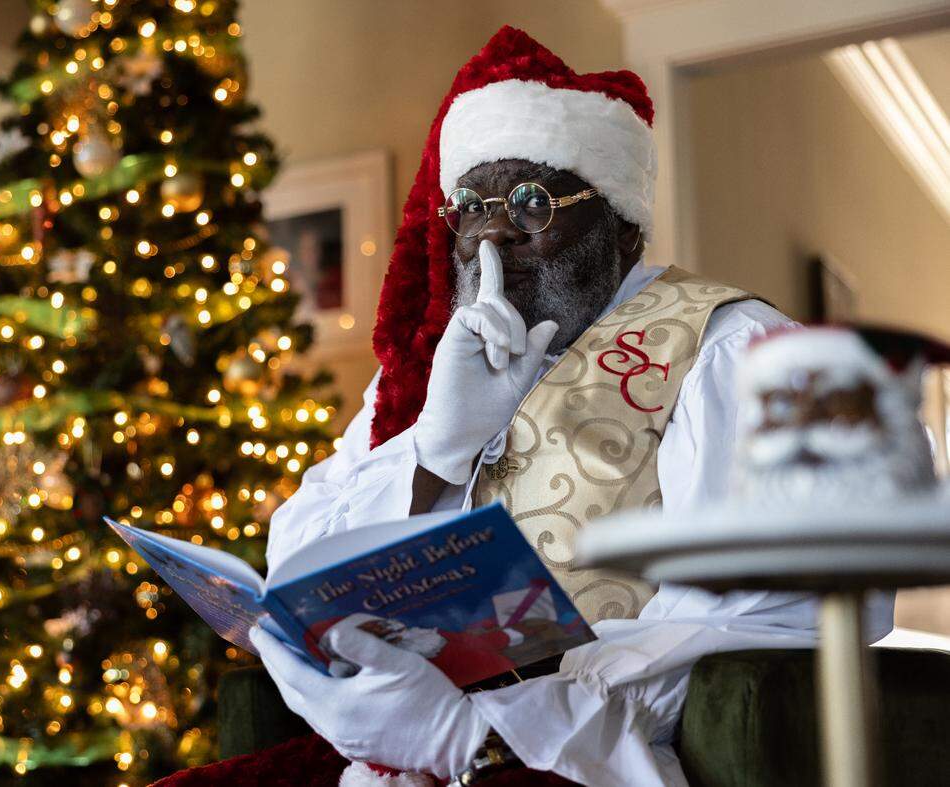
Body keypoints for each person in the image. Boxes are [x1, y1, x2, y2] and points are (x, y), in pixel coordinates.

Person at [157, 25, 894, 787]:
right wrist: (436, 451)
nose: (494, 231)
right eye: (471, 205)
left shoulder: (731, 349)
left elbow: (767, 628)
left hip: (582, 758)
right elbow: (300, 559)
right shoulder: (426, 370)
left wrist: (477, 729)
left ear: (624, 228)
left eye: (533, 201)